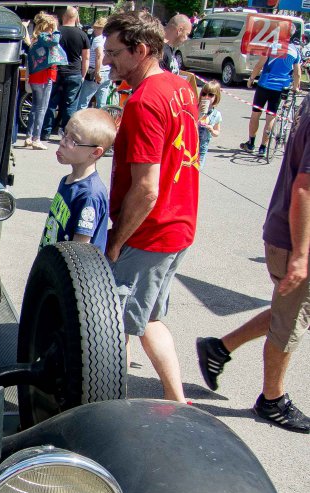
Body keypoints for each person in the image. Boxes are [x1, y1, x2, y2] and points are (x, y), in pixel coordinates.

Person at [102, 10, 200, 403]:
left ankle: (112, 409)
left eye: (114, 53)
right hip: (178, 225)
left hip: (149, 232)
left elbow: (146, 190)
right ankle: (177, 401)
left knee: (113, 327)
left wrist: (116, 242)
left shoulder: (144, 102)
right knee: (148, 319)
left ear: (140, 50)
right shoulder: (180, 87)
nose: (106, 59)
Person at [197, 100, 310, 433]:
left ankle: (219, 348)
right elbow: (305, 188)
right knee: (290, 322)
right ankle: (272, 400)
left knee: (290, 312)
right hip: (294, 241)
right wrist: (302, 254)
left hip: (288, 236)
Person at [41, 108, 116, 251]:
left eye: (73, 140)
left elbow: (79, 250)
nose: (62, 142)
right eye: (65, 134)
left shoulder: (90, 195)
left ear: (95, 152)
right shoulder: (68, 180)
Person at [242, 33, 303, 157]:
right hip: (280, 88)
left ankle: (251, 144)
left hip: (264, 84)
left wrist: (251, 79)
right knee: (271, 117)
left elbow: (259, 65)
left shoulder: (272, 46)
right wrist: (296, 87)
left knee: (255, 114)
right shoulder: (295, 51)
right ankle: (263, 148)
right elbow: (297, 73)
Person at [41, 6, 89, 139]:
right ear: (76, 18)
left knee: (51, 102)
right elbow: (86, 58)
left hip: (56, 71)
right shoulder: (82, 35)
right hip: (74, 72)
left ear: (64, 17)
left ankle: (46, 132)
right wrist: (83, 75)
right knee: (70, 105)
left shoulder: (56, 33)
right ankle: (67, 133)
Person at [25, 12, 60, 150]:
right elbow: (56, 41)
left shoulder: (35, 39)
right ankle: (36, 138)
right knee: (42, 108)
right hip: (44, 76)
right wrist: (56, 29)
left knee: (35, 107)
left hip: (35, 76)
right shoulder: (44, 37)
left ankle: (29, 136)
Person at [76, 16, 111, 111]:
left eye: (97, 28)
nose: (95, 30)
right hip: (107, 72)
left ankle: (80, 119)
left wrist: (97, 72)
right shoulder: (108, 39)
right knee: (102, 104)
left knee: (83, 102)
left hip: (96, 72)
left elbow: (99, 55)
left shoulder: (98, 39)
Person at [197, 80, 222, 166]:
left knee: (198, 168)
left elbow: (217, 132)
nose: (206, 97)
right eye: (204, 94)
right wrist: (198, 111)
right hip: (190, 144)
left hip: (202, 148)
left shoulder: (216, 114)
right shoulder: (195, 108)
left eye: (210, 95)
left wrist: (212, 130)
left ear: (216, 97)